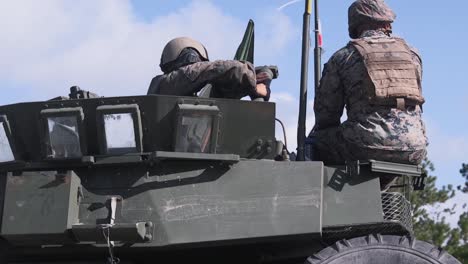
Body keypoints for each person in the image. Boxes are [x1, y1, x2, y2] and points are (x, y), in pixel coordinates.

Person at [309, 0, 427, 186]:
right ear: (387, 24)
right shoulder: (412, 55)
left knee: (313, 143)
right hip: (414, 148)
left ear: (354, 25)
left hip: (364, 145)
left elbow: (326, 115)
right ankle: (377, 202)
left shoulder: (344, 56)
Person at [147, 37, 273, 101]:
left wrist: (246, 87)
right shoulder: (164, 84)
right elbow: (212, 70)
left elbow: (217, 95)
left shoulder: (183, 93)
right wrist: (251, 80)